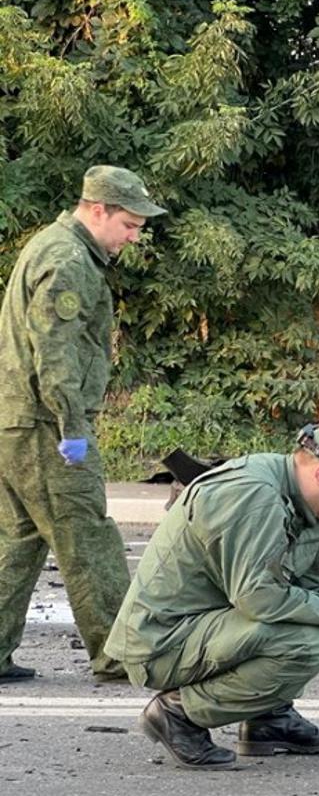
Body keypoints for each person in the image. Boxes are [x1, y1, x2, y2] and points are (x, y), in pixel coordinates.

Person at [104, 420, 319, 770]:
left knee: (300, 622)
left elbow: (315, 583)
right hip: (161, 642)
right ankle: (178, 714)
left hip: (203, 627)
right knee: (303, 644)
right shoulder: (255, 496)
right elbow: (260, 598)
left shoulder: (297, 499)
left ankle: (268, 720)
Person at [0, 165, 164, 684]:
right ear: (98, 210)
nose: (134, 237)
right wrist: (72, 426)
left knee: (19, 541)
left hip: (17, 421)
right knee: (88, 538)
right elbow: (56, 352)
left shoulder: (52, 246)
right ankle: (121, 654)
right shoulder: (69, 260)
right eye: (130, 224)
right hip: (47, 426)